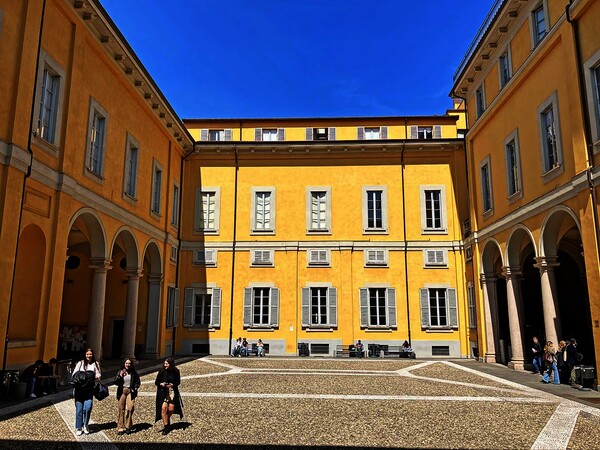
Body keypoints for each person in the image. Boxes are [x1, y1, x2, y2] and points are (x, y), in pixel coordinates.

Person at [72, 348, 101, 436]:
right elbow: (74, 374)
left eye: (90, 354)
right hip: (79, 389)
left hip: (89, 389)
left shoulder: (96, 364)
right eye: (87, 354)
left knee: (88, 408)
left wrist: (95, 377)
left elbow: (99, 374)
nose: (89, 356)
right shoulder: (80, 363)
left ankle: (85, 425)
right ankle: (78, 427)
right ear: (85, 355)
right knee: (79, 409)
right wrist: (82, 377)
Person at [155, 357, 183, 435]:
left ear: (171, 364)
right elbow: (156, 382)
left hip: (172, 392)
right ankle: (166, 426)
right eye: (164, 363)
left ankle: (166, 419)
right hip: (162, 392)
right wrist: (161, 384)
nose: (165, 365)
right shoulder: (161, 371)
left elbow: (178, 382)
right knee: (163, 409)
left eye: (166, 364)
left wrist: (172, 384)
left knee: (171, 409)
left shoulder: (176, 371)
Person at [115, 358, 141, 435]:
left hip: (130, 391)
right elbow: (115, 382)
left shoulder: (134, 373)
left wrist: (134, 389)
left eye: (129, 363)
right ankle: (120, 427)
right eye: (126, 363)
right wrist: (120, 376)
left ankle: (128, 426)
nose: (128, 365)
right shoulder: (120, 372)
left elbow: (138, 382)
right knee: (121, 409)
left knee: (130, 408)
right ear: (124, 364)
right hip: (122, 391)